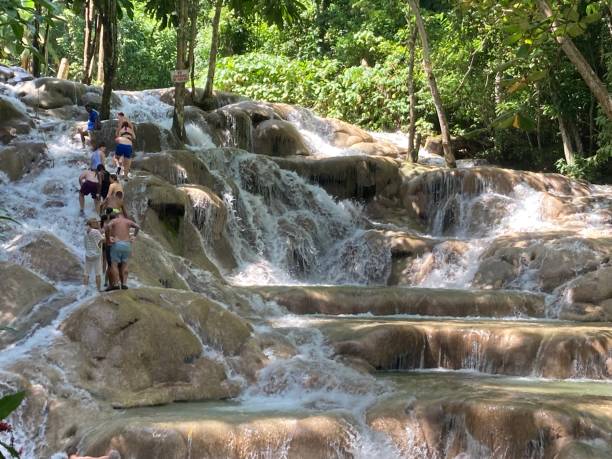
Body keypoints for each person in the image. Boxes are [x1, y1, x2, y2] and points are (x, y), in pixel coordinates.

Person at [105, 213, 140, 291]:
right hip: (127, 244)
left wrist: (109, 237)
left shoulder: (114, 220)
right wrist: (134, 236)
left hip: (117, 244)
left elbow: (107, 226)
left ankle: (116, 284)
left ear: (117, 216)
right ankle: (124, 283)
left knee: (114, 264)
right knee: (125, 264)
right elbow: (138, 227)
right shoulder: (128, 221)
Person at [84, 218, 104, 291]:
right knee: (97, 273)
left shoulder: (85, 232)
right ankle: (98, 289)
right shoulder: (96, 231)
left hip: (88, 255)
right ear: (92, 224)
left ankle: (84, 289)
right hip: (96, 255)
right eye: (95, 222)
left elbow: (85, 245)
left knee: (86, 273)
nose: (97, 223)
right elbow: (102, 239)